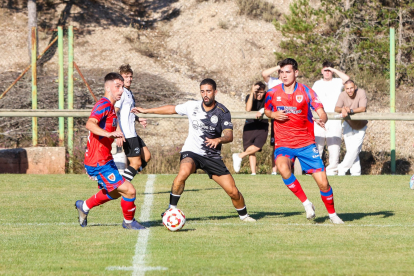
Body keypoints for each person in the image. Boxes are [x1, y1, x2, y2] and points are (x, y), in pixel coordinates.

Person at [132, 78, 256, 222]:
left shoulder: (222, 112)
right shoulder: (192, 106)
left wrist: (219, 139)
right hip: (192, 151)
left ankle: (244, 216)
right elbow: (172, 109)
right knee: (183, 173)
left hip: (212, 156)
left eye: (208, 91)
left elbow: (229, 136)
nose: (205, 94)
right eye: (202, 91)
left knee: (233, 191)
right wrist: (146, 110)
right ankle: (171, 209)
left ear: (215, 92)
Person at [264, 58, 344, 224]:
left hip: (306, 143)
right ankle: (307, 204)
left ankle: (332, 214)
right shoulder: (272, 92)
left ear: (296, 73)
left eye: (288, 72)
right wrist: (273, 115)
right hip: (284, 143)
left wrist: (321, 119)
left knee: (323, 183)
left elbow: (322, 112)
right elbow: (266, 110)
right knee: (283, 168)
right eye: (281, 72)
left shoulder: (307, 92)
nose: (284, 75)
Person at [75, 73, 146, 230]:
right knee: (129, 190)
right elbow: (90, 124)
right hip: (99, 161)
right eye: (117, 86)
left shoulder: (112, 109)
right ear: (107, 87)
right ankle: (128, 222)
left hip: (105, 159)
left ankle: (84, 206)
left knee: (114, 193)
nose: (121, 90)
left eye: (122, 87)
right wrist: (109, 134)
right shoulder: (104, 105)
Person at [115, 64, 151, 182]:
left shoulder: (129, 92)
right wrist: (118, 131)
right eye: (126, 76)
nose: (129, 79)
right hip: (127, 133)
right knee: (135, 163)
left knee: (146, 156)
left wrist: (137, 118)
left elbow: (126, 112)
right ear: (120, 78)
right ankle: (121, 186)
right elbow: (114, 112)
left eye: (130, 76)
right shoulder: (122, 93)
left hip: (132, 132)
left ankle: (125, 178)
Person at [312, 61, 349, 175]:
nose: (327, 72)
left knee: (334, 144)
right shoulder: (317, 84)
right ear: (322, 71)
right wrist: (314, 116)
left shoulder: (337, 82)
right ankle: (316, 168)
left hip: (334, 117)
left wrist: (334, 70)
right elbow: (311, 99)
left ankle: (332, 169)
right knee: (318, 143)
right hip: (319, 116)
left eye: (329, 70)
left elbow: (347, 79)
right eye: (325, 70)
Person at [232, 82, 268, 175]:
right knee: (250, 149)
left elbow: (270, 107)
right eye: (257, 92)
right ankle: (253, 173)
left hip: (262, 125)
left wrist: (261, 111)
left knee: (258, 146)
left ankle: (239, 156)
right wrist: (252, 93)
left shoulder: (267, 97)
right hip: (250, 125)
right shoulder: (250, 96)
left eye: (262, 92)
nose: (259, 95)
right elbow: (248, 109)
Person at [335, 80, 368, 176]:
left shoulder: (361, 92)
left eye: (351, 88)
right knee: (351, 150)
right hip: (348, 123)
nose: (349, 90)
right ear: (345, 89)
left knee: (355, 148)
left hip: (361, 124)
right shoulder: (342, 95)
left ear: (355, 87)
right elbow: (336, 108)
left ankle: (342, 167)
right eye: (347, 88)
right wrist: (343, 109)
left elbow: (363, 108)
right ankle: (356, 173)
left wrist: (350, 110)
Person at [262, 63, 283, 175]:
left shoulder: (291, 83)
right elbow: (264, 73)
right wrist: (279, 67)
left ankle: (289, 168)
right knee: (275, 144)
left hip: (289, 116)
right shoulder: (273, 81)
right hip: (276, 117)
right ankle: (274, 170)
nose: (283, 74)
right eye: (281, 71)